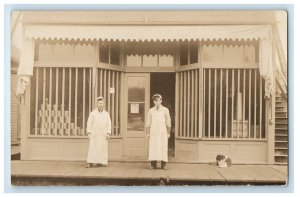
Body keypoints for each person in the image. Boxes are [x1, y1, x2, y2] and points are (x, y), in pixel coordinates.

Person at [146, 94, 171, 170]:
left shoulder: (165, 110)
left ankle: (164, 165)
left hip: (162, 132)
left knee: (163, 147)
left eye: (158, 100)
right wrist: (148, 133)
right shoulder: (150, 111)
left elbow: (168, 122)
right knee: (153, 147)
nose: (157, 102)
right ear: (153, 101)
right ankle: (153, 165)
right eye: (155, 101)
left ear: (161, 100)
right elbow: (148, 123)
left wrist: (168, 133)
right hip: (154, 132)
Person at [86, 96, 111, 168]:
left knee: (102, 148)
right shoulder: (93, 113)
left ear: (104, 105)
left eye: (102, 103)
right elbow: (89, 123)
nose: (101, 105)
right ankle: (90, 162)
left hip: (103, 134)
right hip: (95, 134)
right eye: (99, 103)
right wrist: (89, 132)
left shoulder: (106, 114)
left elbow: (109, 123)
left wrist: (108, 133)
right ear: (97, 104)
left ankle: (100, 162)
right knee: (93, 148)